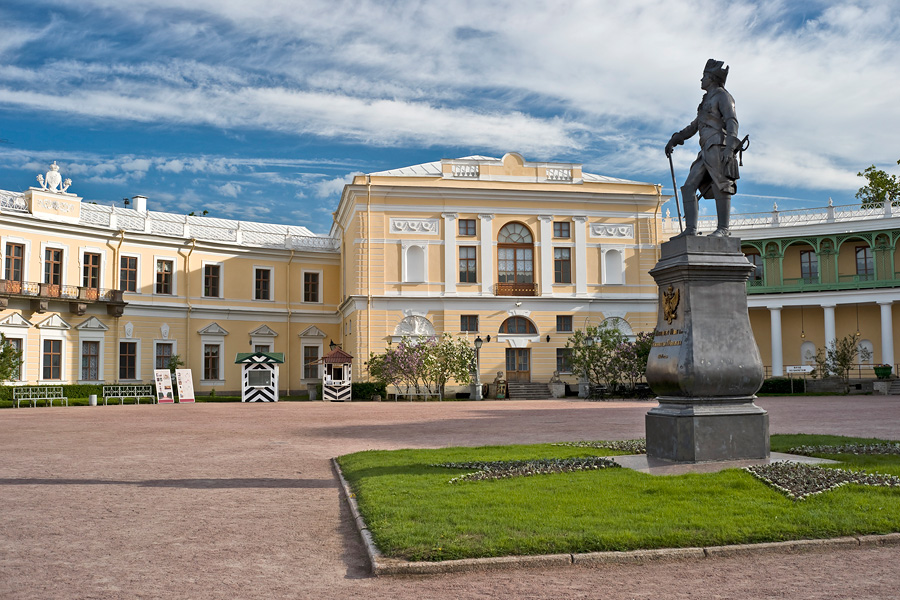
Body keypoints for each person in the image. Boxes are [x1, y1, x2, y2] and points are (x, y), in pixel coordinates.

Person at [665, 59, 741, 238]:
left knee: (722, 185)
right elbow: (695, 125)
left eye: (704, 76)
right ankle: (690, 230)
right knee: (689, 186)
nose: (701, 80)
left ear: (712, 78)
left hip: (719, 147)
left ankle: (723, 228)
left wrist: (730, 149)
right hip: (706, 149)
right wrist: (676, 138)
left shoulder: (723, 96)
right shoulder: (707, 99)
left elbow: (732, 121)